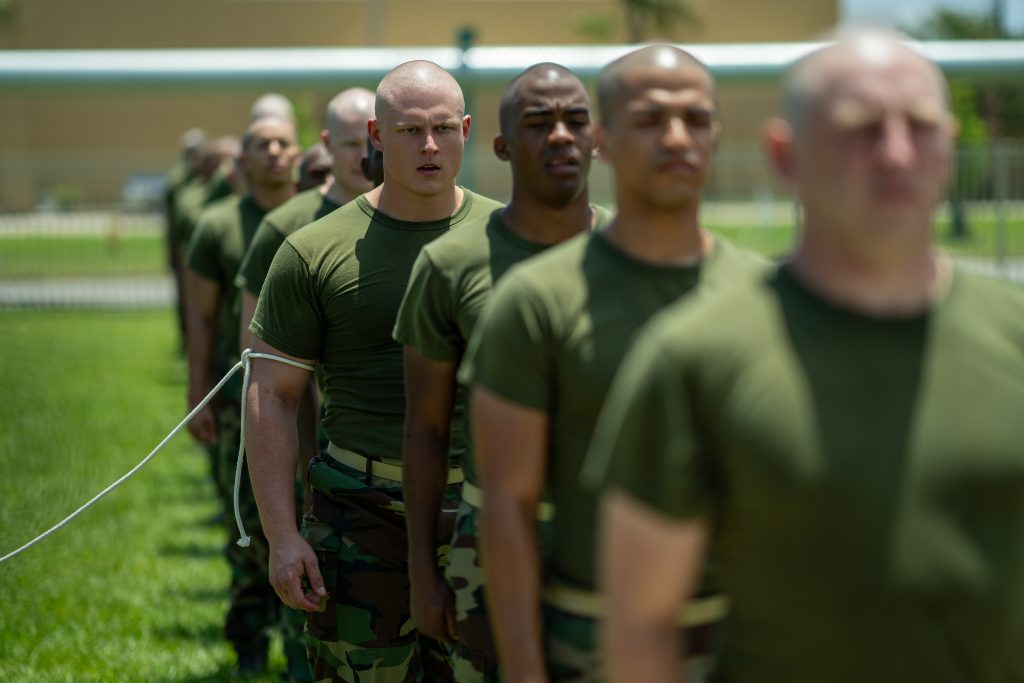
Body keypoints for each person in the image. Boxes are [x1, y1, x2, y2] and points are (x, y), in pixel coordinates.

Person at [585, 30, 1024, 683]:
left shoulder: (1014, 331)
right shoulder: (696, 356)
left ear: (950, 147)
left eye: (922, 127)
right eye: (861, 128)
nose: (897, 152)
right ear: (784, 155)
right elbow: (641, 623)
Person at [460, 45, 765, 683]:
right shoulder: (537, 301)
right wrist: (524, 670)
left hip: (748, 630)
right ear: (605, 139)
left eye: (697, 119)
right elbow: (507, 507)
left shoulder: (770, 297)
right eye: (651, 119)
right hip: (592, 631)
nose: (677, 137)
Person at [244, 61, 503, 682]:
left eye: (444, 128)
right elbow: (271, 396)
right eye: (411, 131)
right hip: (361, 517)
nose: (431, 146)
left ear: (467, 129)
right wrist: (282, 537)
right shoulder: (314, 250)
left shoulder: (511, 240)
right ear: (376, 137)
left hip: (486, 513)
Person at [392, 63, 611, 682]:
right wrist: (423, 573)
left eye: (575, 121)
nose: (561, 137)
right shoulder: (450, 265)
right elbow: (425, 431)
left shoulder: (637, 256)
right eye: (538, 124)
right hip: (488, 549)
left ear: (597, 138)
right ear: (502, 147)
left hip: (616, 541)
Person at [184, 114, 301, 676]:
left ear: (299, 153)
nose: (275, 152)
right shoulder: (218, 226)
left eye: (284, 143)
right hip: (240, 398)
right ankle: (250, 641)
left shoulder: (313, 219)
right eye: (263, 144)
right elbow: (202, 319)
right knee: (248, 520)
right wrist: (198, 392)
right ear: (244, 159)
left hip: (302, 398)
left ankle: (298, 635)